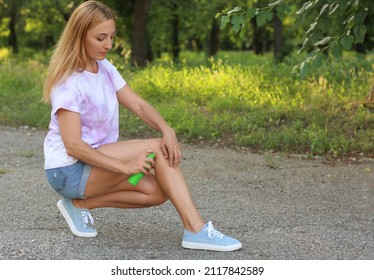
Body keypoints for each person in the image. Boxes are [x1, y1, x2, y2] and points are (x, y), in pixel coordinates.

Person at [43, 0, 241, 252]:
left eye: (112, 37)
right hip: (68, 172)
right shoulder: (69, 82)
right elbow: (73, 147)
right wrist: (126, 167)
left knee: (157, 191)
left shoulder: (104, 68)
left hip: (95, 164)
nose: (108, 45)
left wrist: (167, 129)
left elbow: (138, 105)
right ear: (79, 36)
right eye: (100, 38)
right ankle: (195, 228)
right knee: (157, 149)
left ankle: (80, 206)